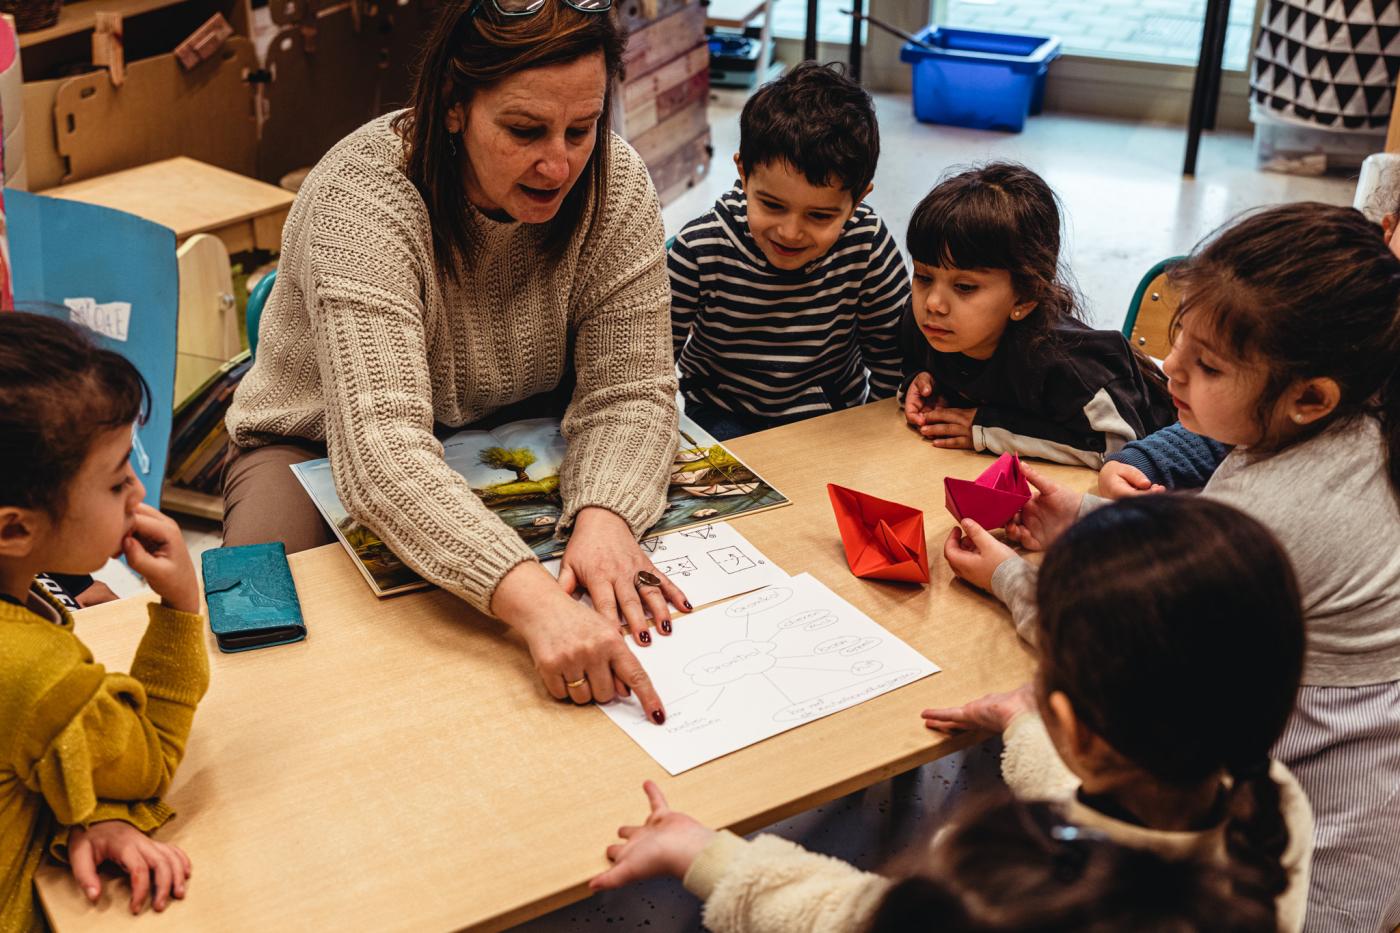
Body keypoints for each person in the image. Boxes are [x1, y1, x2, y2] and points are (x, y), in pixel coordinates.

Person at [224, 0, 685, 722]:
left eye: (582, 128)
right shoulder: (363, 197)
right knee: (264, 653)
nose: (559, 161)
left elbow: (632, 388)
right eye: (524, 130)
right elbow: (381, 448)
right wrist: (534, 603)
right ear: (451, 107)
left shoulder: (614, 183)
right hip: (312, 441)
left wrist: (605, 514)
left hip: (520, 418)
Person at [953, 203, 1400, 932]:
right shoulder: (1358, 416)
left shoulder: (1286, 500)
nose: (1171, 370)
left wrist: (1010, 577)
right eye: (1178, 339)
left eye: (1209, 363)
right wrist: (1087, 523)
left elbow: (1131, 658)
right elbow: (1214, 550)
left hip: (1309, 857)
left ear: (1310, 396)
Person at [588, 496, 1309, 931]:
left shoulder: (1015, 887)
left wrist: (703, 852)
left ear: (1079, 727)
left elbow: (851, 914)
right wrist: (1027, 726)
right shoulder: (1273, 807)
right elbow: (1112, 822)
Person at [0, 313, 210, 929]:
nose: (139, 493)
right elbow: (151, 760)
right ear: (15, 528)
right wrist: (179, 608)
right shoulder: (35, 671)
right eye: (119, 480)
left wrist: (85, 814)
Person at [668, 62, 909, 441]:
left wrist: (873, 439)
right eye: (772, 205)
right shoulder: (700, 248)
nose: (791, 232)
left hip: (834, 417)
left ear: (859, 198)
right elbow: (648, 361)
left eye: (820, 215)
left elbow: (894, 362)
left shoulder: (868, 244)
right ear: (744, 174)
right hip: (719, 413)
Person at [900, 162, 1175, 467]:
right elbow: (916, 363)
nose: (934, 303)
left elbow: (1119, 448)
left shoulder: (1068, 366)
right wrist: (921, 382)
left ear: (1026, 295)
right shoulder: (927, 326)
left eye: (964, 287)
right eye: (924, 277)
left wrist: (988, 430)